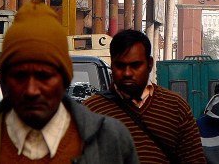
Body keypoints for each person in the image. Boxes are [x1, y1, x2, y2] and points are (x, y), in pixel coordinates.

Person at [0, 0, 139, 164]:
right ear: (3, 80)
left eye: (44, 76)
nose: (31, 90)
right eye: (19, 76)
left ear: (64, 78)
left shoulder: (109, 141)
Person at [84, 29, 206, 163]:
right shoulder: (91, 112)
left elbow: (195, 160)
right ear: (112, 65)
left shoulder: (176, 108)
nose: (127, 73)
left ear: (149, 64)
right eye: (120, 65)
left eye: (135, 65)